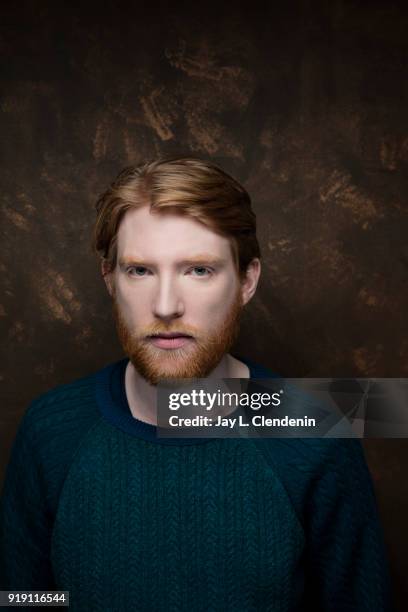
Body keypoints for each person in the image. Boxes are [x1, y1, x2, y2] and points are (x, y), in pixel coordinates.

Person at [0, 157, 393, 610]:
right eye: (140, 271)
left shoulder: (321, 429)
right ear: (109, 279)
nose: (166, 305)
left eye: (199, 270)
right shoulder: (50, 431)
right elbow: (25, 598)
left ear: (247, 280)